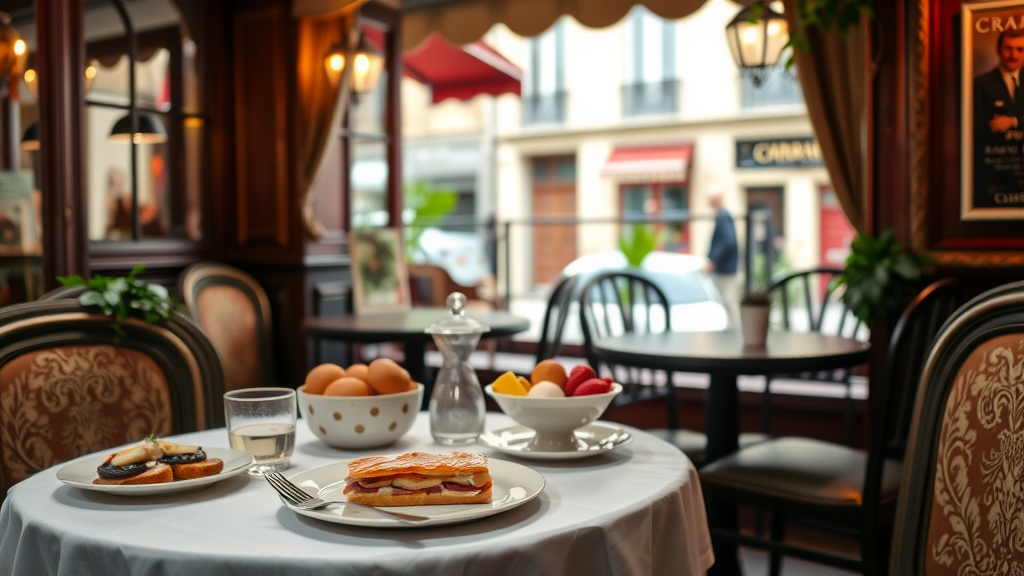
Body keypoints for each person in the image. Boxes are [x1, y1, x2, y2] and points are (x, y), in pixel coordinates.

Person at [973, 28, 1024, 208]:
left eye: (1020, 49)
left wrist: (1013, 122)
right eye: (1008, 48)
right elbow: (974, 127)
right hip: (994, 175)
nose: (1014, 55)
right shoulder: (980, 84)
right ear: (998, 50)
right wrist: (991, 126)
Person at [704, 187, 740, 328]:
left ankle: (735, 330)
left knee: (728, 300)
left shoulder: (723, 216)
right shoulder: (722, 215)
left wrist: (713, 260)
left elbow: (727, 241)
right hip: (726, 267)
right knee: (726, 300)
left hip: (725, 268)